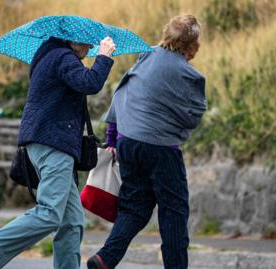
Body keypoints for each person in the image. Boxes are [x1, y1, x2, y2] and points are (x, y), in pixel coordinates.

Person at [0, 36, 116, 269]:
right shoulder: (63, 57)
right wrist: (104, 57)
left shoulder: (51, 55)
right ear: (73, 41)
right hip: (54, 145)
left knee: (72, 221)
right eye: (86, 43)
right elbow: (90, 83)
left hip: (48, 142)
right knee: (50, 213)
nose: (90, 48)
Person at [87, 15, 207, 269]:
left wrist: (112, 137)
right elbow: (193, 115)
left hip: (128, 143)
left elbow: (123, 91)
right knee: (174, 213)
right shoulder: (189, 74)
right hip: (161, 149)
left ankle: (105, 259)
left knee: (134, 208)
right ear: (192, 46)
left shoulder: (147, 54)